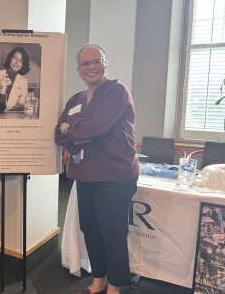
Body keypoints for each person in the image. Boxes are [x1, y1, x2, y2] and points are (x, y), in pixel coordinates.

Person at [54, 44, 140, 294]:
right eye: (85, 63)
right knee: (90, 229)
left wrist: (71, 128)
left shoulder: (116, 91)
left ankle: (115, 287)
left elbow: (97, 128)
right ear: (78, 70)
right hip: (84, 174)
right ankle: (98, 280)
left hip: (115, 176)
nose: (91, 67)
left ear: (105, 64)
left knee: (112, 233)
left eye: (96, 61)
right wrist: (72, 130)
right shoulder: (75, 99)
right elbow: (58, 135)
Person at [0, 46, 30, 117]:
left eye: (21, 60)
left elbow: (24, 103)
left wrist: (25, 102)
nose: (17, 62)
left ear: (23, 64)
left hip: (9, 115)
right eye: (15, 58)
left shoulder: (23, 81)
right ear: (10, 58)